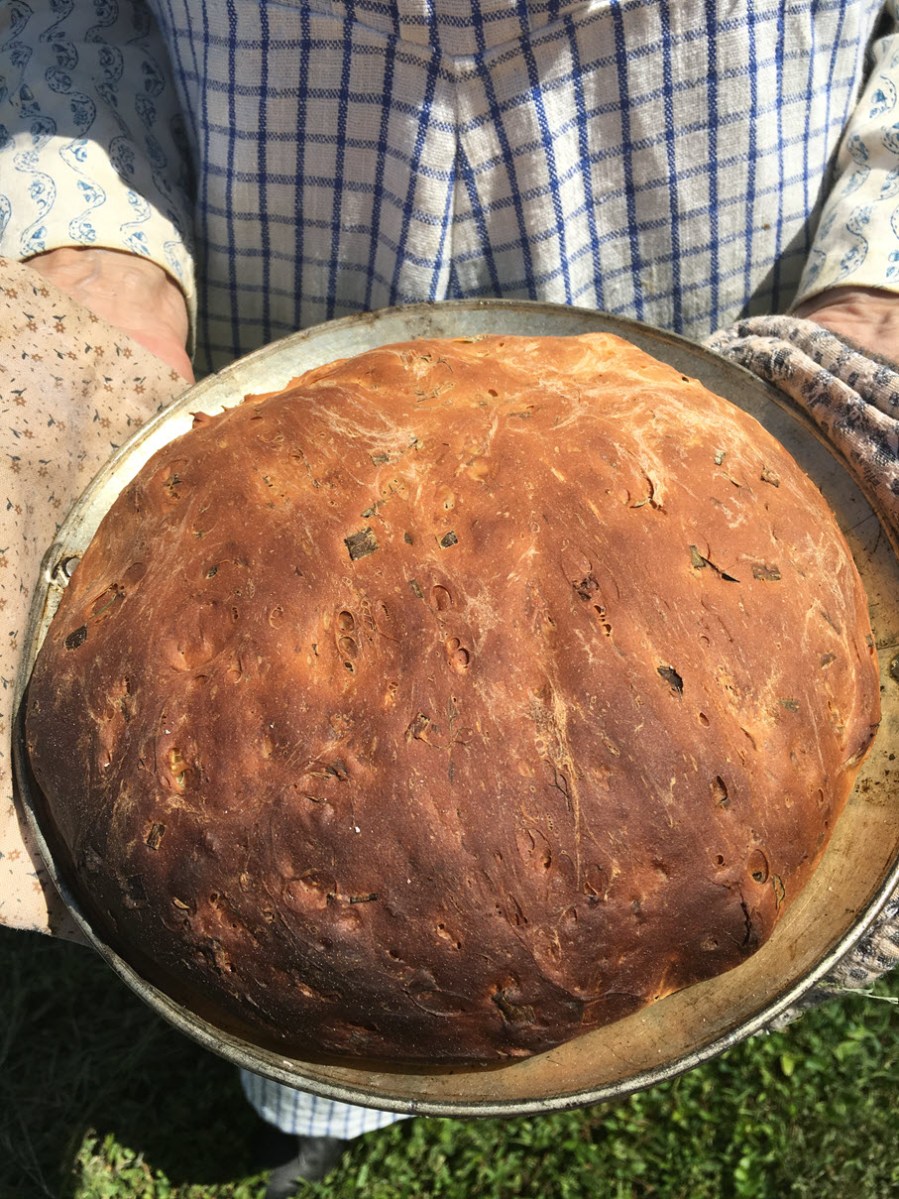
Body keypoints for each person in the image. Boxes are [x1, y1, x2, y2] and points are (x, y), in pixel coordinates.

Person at [2, 1, 899, 1195]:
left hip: (699, 368)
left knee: (664, 803)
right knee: (313, 914)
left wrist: (872, 296)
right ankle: (315, 1104)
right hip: (284, 400)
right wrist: (92, 254)